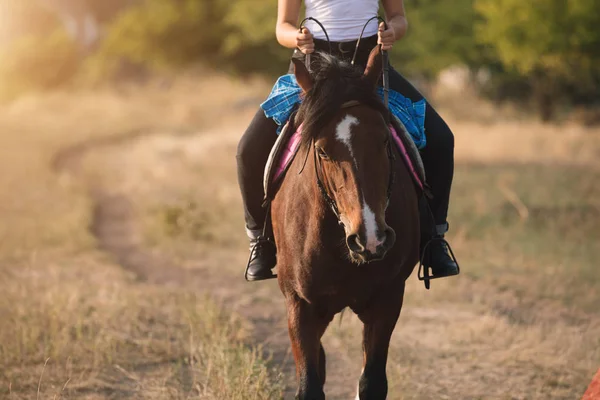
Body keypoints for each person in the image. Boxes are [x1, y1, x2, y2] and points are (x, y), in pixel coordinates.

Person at [236, 0, 458, 281]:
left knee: (441, 139)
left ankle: (433, 240)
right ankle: (261, 242)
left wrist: (392, 32)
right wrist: (297, 37)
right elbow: (282, 27)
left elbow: (398, 18)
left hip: (370, 67)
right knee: (247, 150)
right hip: (314, 64)